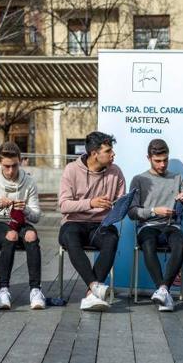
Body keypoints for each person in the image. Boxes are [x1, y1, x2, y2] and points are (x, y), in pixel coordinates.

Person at [58, 131, 125, 311]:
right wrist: (91, 203)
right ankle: (95, 287)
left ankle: (90, 293)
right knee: (71, 237)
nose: (113, 154)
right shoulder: (71, 170)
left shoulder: (116, 172)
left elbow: (121, 202)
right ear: (95, 153)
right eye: (108, 151)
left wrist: (120, 206)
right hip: (74, 223)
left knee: (112, 237)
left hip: (100, 225)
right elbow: (64, 206)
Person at [0, 142, 44, 310]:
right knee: (11, 235)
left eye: (15, 165)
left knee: (31, 235)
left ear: (20, 161)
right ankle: (3, 289)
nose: (10, 171)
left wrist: (26, 209)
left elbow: (36, 216)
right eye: (6, 166)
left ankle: (36, 290)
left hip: (20, 222)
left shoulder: (28, 181)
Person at [127, 139, 183, 312]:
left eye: (165, 160)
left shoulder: (178, 179)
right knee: (148, 243)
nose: (162, 164)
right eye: (158, 161)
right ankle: (164, 289)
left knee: (180, 242)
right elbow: (132, 212)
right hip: (148, 226)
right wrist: (155, 211)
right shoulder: (139, 180)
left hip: (172, 227)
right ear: (148, 158)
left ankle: (163, 290)